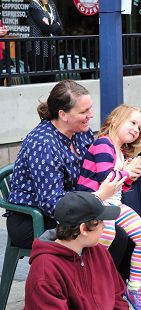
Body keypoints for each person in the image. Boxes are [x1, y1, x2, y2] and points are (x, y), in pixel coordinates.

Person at [5, 80, 125, 260]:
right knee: (106, 239)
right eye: (84, 111)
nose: (90, 115)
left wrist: (125, 169)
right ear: (63, 114)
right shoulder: (43, 144)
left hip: (75, 208)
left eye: (90, 108)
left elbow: (93, 169)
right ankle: (88, 287)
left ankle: (117, 287)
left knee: (125, 235)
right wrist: (98, 196)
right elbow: (51, 204)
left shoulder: (80, 131)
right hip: (33, 220)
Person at [76, 104, 141, 310]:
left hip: (113, 204)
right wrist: (126, 172)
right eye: (133, 123)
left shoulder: (119, 151)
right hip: (94, 202)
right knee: (106, 235)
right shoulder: (103, 144)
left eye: (140, 128)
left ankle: (134, 287)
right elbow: (105, 180)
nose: (137, 130)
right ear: (117, 119)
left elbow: (120, 187)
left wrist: (130, 174)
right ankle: (90, 282)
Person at [19, 191, 134, 310]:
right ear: (83, 229)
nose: (104, 226)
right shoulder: (45, 269)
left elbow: (117, 297)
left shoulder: (99, 252)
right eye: (100, 221)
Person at [27, 0, 63, 83]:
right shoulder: (34, 5)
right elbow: (45, 28)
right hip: (37, 49)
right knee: (38, 81)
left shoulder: (52, 4)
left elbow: (60, 27)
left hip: (51, 49)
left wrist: (53, 25)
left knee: (51, 81)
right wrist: (55, 24)